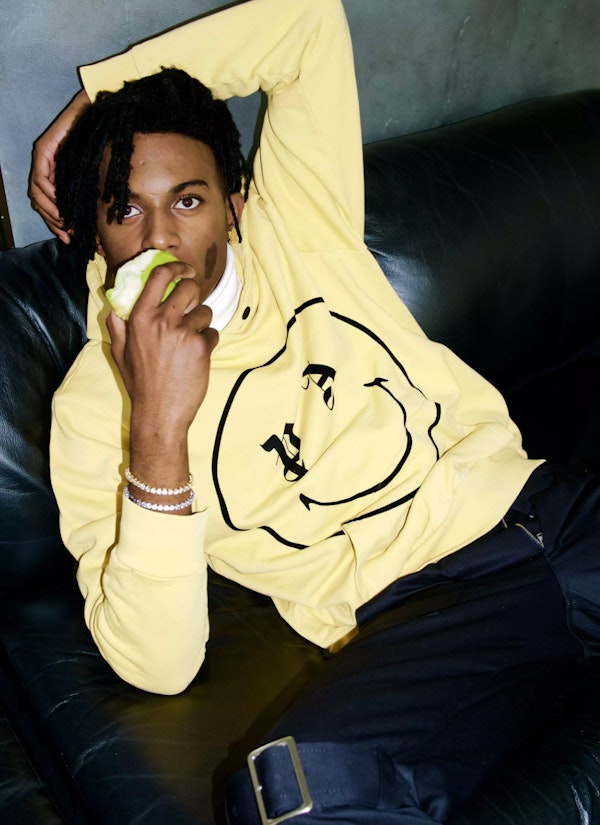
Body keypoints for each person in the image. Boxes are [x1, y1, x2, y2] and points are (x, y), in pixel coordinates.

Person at [29, 0, 600, 822]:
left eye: (187, 200)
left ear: (232, 203)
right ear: (93, 233)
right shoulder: (92, 409)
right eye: (123, 209)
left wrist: (100, 95)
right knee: (293, 800)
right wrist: (158, 426)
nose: (159, 238)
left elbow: (308, 23)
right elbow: (158, 664)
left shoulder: (298, 226)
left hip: (540, 511)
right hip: (422, 618)